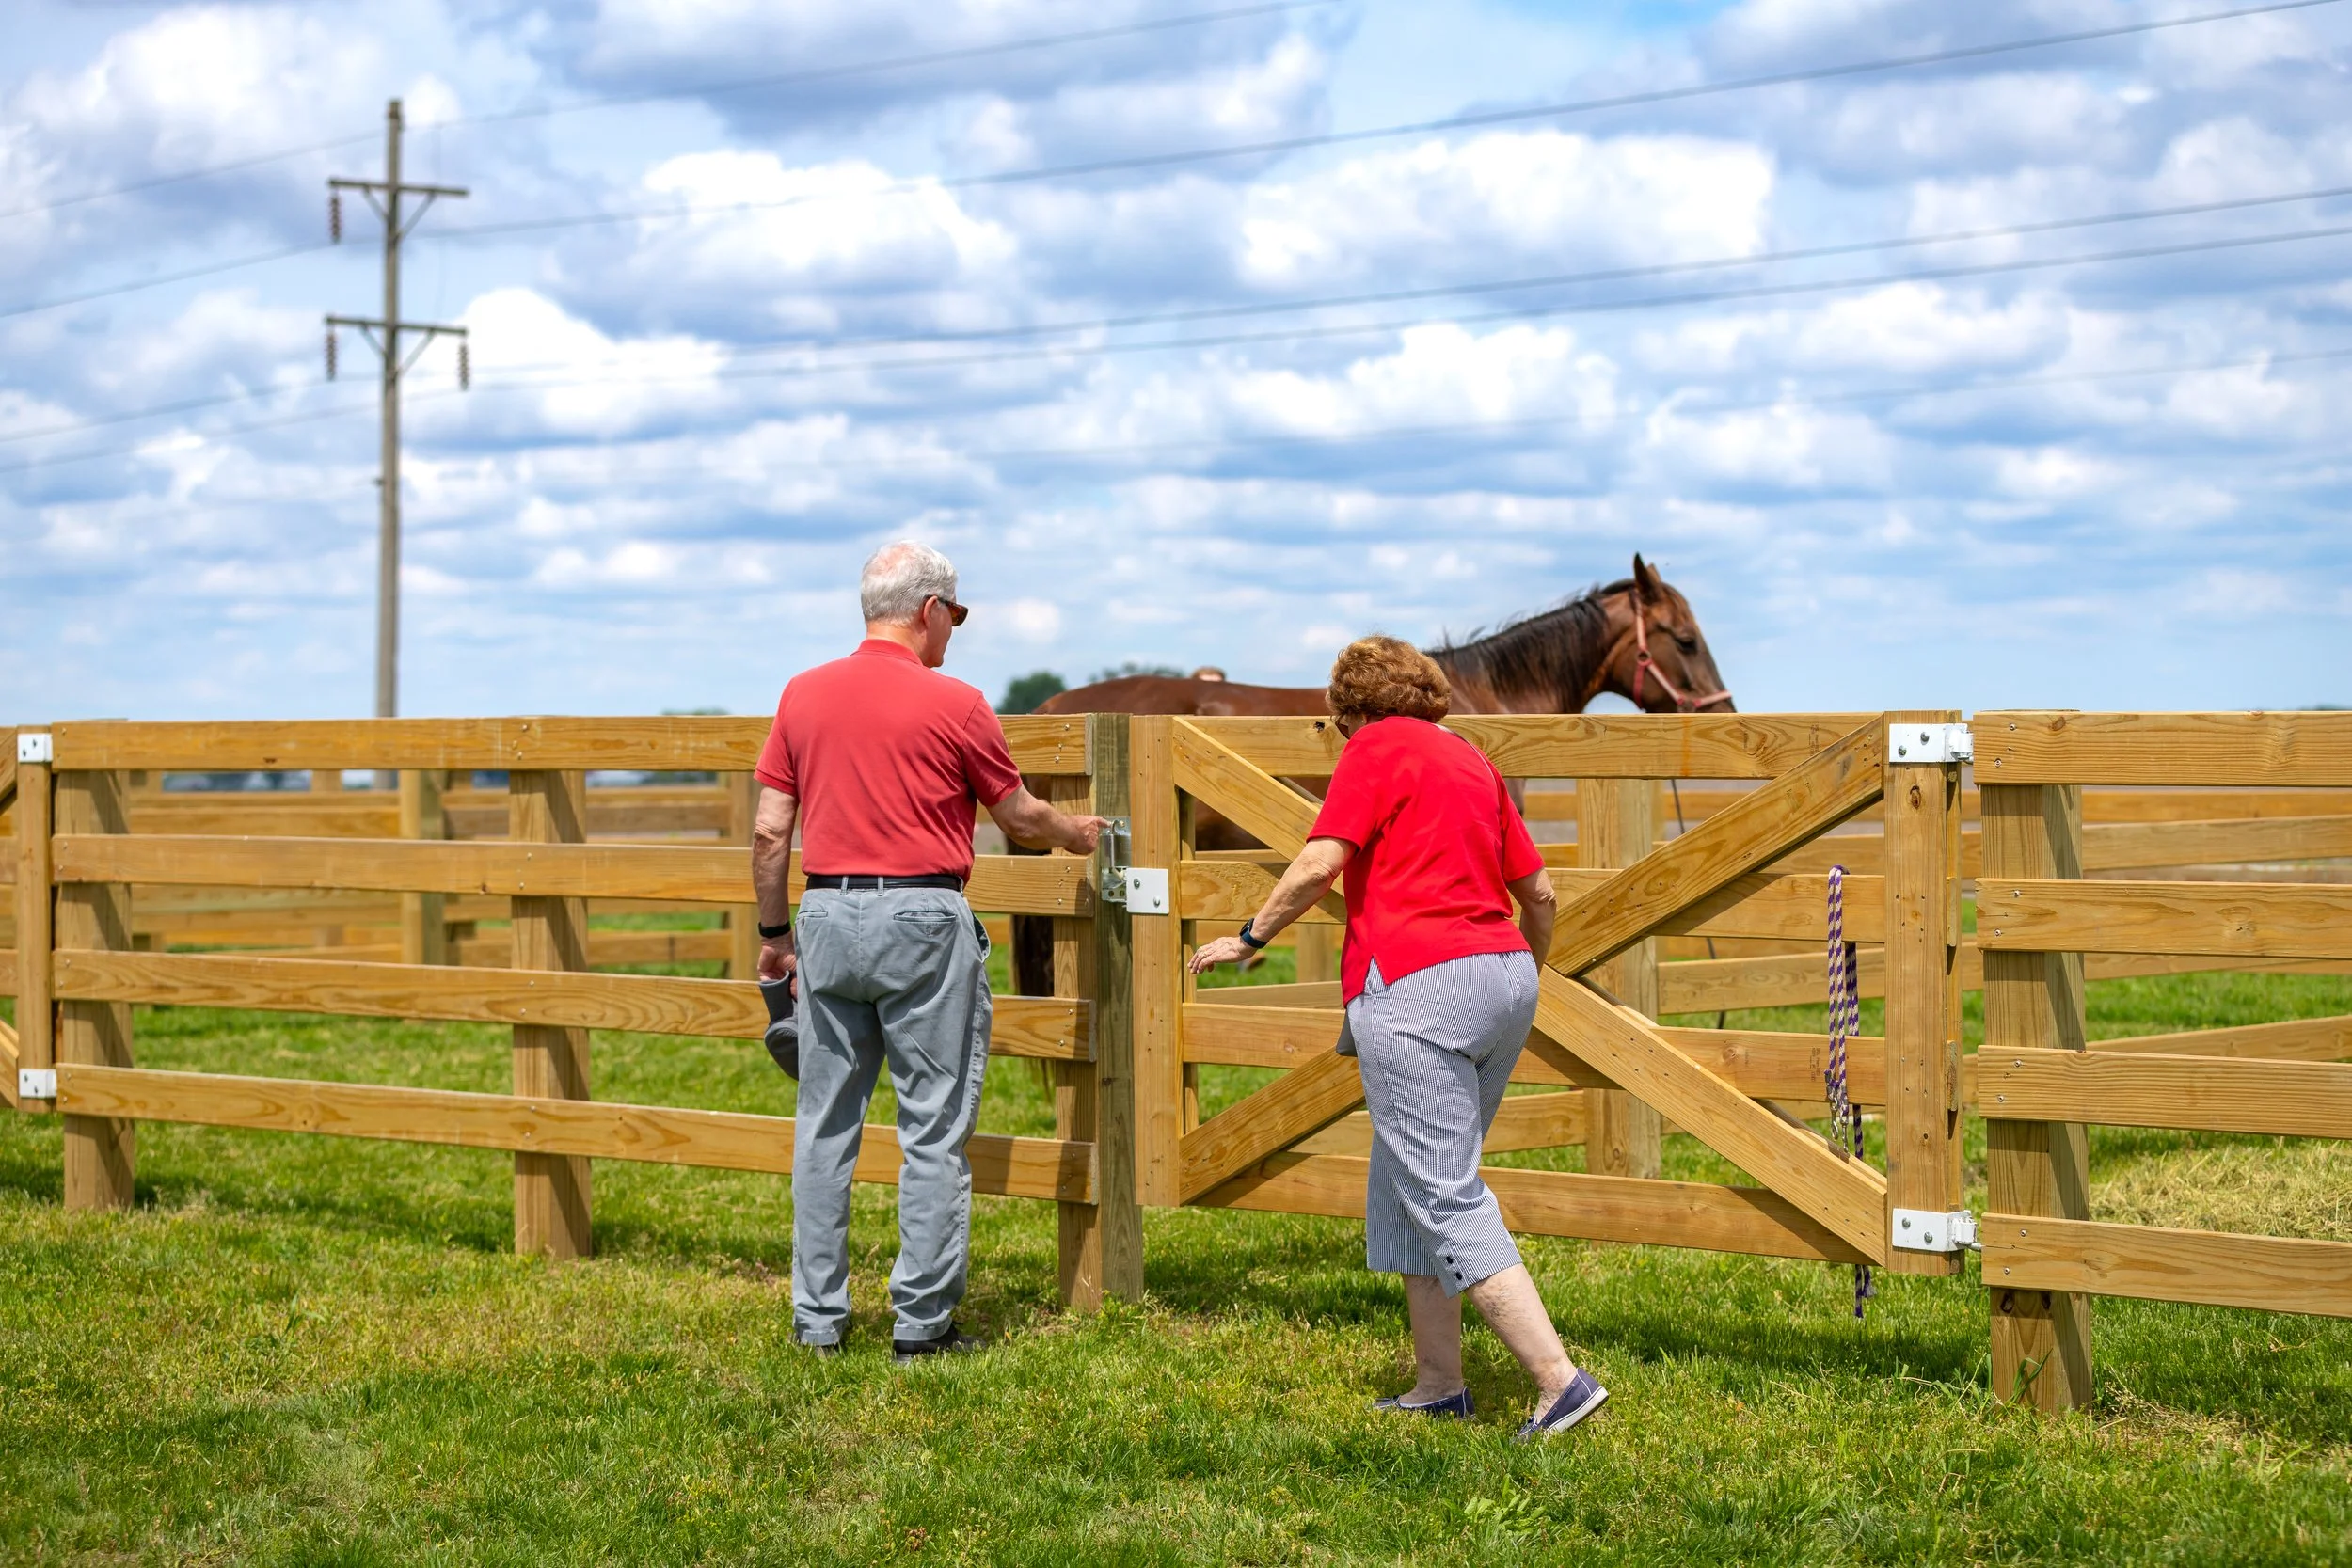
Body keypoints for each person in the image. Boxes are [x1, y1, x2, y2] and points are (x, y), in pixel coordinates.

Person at [1189, 635, 1608, 1439]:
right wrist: (1527, 969)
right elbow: (1543, 893)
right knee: (1412, 1177)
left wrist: (1249, 935)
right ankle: (1439, 1381)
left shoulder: (1375, 746)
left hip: (1417, 988)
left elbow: (1319, 862)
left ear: (1354, 709)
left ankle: (1559, 1381)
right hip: (1505, 978)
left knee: (1443, 1191)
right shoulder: (1472, 758)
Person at [752, 541, 1104, 1361]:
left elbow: (772, 830)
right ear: (931, 610)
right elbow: (1017, 816)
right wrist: (1076, 834)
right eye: (958, 615)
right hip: (924, 916)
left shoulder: (802, 694)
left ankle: (818, 1319)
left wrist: (775, 938)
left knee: (823, 1125)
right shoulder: (958, 702)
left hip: (829, 914)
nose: (956, 631)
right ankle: (921, 1320)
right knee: (933, 1127)